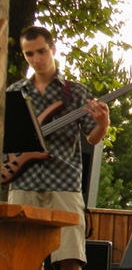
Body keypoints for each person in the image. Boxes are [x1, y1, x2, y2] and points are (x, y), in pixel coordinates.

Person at [4, 26, 110, 270]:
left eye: (41, 51)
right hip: (23, 183)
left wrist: (103, 125)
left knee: (70, 259)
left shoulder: (76, 92)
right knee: (20, 259)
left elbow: (92, 138)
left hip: (64, 183)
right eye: (29, 54)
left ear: (53, 48)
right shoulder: (14, 92)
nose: (36, 59)